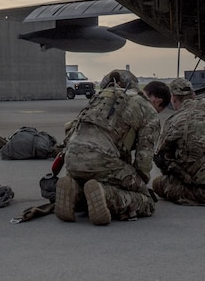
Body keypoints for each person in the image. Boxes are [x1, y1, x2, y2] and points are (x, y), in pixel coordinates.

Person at [55, 70, 167, 225]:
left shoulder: (104, 96)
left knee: (92, 180)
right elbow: (144, 158)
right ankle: (105, 195)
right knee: (146, 200)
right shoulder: (148, 111)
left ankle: (75, 191)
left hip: (72, 160)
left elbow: (71, 131)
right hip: (102, 159)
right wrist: (139, 182)